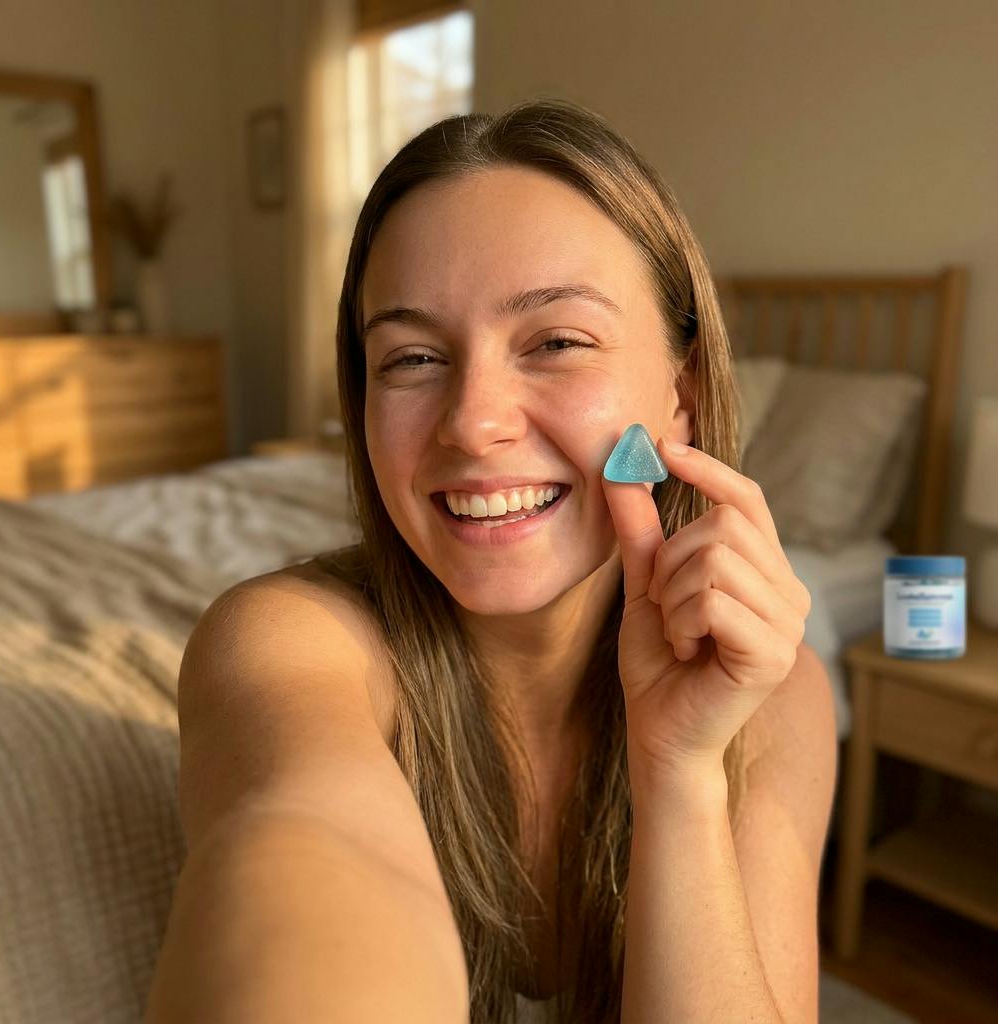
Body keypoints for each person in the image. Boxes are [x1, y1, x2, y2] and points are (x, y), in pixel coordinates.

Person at [146, 98, 836, 1024]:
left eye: (556, 342)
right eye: (411, 359)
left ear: (683, 395)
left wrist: (679, 773)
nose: (472, 424)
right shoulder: (285, 642)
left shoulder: (778, 698)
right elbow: (304, 846)